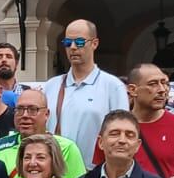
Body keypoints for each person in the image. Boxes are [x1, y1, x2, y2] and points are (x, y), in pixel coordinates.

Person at [41, 19, 129, 164]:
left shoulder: (113, 86)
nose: (73, 47)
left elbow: (121, 132)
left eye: (80, 42)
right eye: (67, 43)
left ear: (94, 43)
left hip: (94, 170)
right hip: (56, 170)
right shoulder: (51, 86)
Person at [0, 85, 86, 178]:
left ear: (47, 114)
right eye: (20, 109)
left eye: (32, 109)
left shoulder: (66, 148)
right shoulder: (2, 146)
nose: (25, 115)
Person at [110, 62, 174, 178]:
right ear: (132, 90)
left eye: (165, 83)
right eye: (153, 84)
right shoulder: (113, 129)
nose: (162, 90)